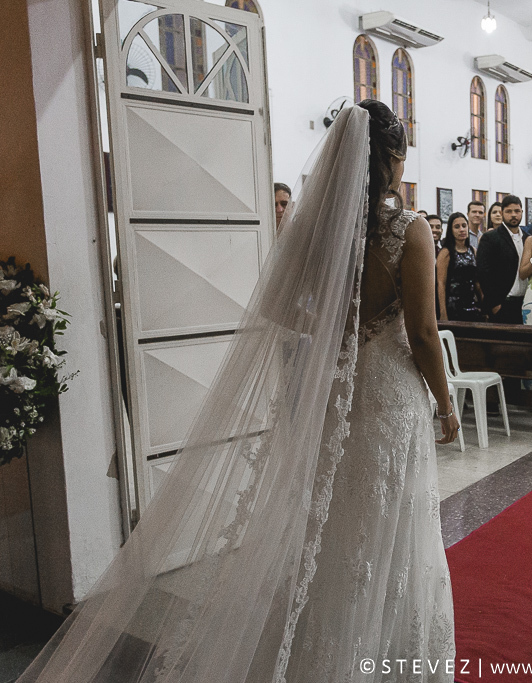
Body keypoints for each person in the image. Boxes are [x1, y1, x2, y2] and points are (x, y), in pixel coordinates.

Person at [19, 101, 459, 682]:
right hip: (389, 391)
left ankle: (318, 650)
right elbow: (425, 333)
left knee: (334, 522)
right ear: (394, 161)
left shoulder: (322, 230)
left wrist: (340, 332)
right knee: (388, 520)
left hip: (339, 387)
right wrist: (447, 404)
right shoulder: (410, 229)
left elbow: (282, 309)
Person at [477, 195, 527, 324]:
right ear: (502, 213)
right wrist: (495, 304)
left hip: (526, 302)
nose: (513, 215)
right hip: (503, 304)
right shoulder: (491, 238)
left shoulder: (528, 238)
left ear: (522, 212)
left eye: (517, 211)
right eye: (509, 211)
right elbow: (484, 272)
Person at [437, 212, 484, 322]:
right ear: (451, 230)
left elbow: (477, 281)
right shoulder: (446, 252)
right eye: (457, 227)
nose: (461, 230)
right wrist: (443, 313)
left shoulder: (472, 251)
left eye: (464, 226)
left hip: (471, 304)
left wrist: (483, 303)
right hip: (453, 305)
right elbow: (441, 284)